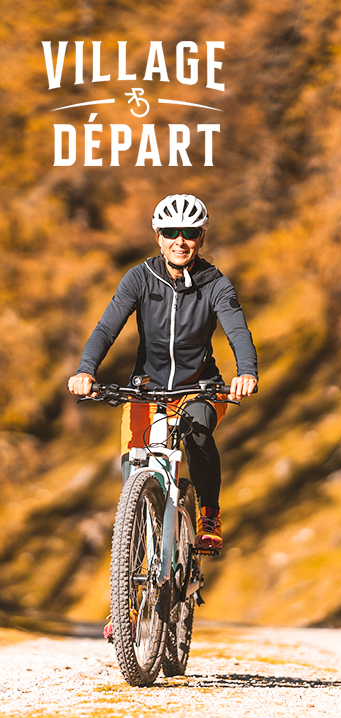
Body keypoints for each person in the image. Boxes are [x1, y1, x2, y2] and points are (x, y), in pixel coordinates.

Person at [68, 194, 259, 557]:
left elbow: (238, 331)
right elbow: (106, 328)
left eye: (189, 232)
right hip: (145, 390)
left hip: (199, 389)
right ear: (158, 236)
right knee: (133, 473)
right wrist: (85, 370)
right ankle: (130, 583)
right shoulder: (140, 278)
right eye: (171, 232)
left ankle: (208, 515)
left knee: (197, 433)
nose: (179, 241)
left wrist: (246, 372)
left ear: (201, 237)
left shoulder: (216, 284)